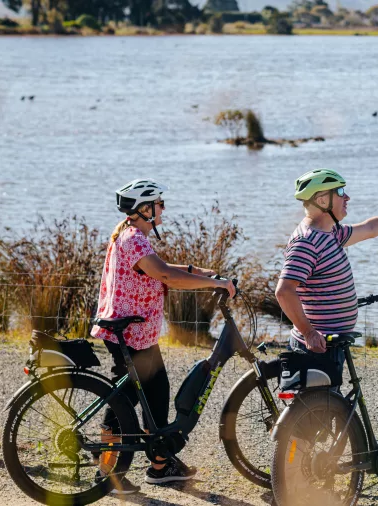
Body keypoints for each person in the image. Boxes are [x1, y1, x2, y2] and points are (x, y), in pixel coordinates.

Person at [90, 179, 235, 494]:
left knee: (155, 391)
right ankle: (108, 473)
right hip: (128, 333)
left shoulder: (130, 235)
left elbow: (159, 268)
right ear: (145, 209)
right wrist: (217, 285)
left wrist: (200, 272)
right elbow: (167, 275)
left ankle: (160, 463)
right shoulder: (133, 239)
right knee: (125, 398)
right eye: (159, 203)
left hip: (137, 333)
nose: (163, 208)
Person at [275, 169, 378, 375]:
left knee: (332, 406)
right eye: (340, 192)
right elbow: (284, 291)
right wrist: (309, 333)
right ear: (322, 200)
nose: (347, 197)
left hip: (331, 345)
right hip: (317, 347)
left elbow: (370, 228)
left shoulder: (331, 233)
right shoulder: (306, 242)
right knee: (319, 407)